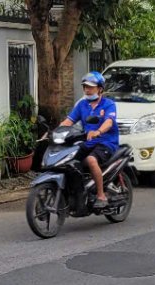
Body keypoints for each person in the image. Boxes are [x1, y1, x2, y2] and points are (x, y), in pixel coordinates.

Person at [60, 71, 119, 209]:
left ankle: (101, 195)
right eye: (85, 87)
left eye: (91, 87)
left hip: (106, 142)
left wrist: (98, 131)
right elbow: (69, 121)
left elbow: (109, 122)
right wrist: (54, 132)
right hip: (88, 142)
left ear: (100, 89)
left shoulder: (108, 104)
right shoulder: (82, 105)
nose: (87, 90)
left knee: (91, 160)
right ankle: (78, 192)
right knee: (68, 159)